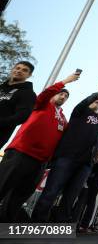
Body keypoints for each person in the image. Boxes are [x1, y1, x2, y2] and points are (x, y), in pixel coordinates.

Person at [0, 72, 79, 222]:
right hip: (21, 152)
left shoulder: (63, 119)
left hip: (40, 162)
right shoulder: (42, 104)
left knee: (19, 196)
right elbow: (46, 93)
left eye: (66, 96)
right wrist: (64, 82)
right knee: (2, 185)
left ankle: (4, 227)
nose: (63, 97)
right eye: (60, 94)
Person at [31, 82, 98, 222]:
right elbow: (85, 102)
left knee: (70, 197)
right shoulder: (79, 111)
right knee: (52, 191)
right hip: (66, 158)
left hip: (86, 164)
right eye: (96, 99)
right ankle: (37, 222)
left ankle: (60, 225)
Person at [0, 61, 36, 149]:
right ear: (12, 69)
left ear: (29, 75)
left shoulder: (28, 94)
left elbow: (21, 116)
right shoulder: (1, 87)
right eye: (17, 68)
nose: (19, 71)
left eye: (24, 70)